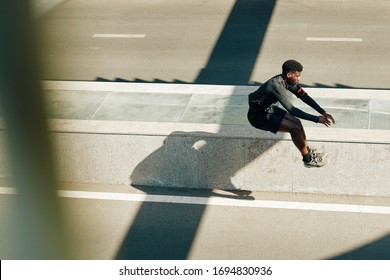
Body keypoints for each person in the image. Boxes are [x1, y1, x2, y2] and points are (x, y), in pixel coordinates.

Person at [247, 59, 335, 167]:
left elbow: (304, 96)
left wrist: (323, 112)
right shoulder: (276, 86)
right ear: (289, 74)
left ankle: (307, 150)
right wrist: (317, 119)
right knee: (294, 128)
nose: (299, 79)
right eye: (297, 76)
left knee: (297, 122)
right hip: (258, 116)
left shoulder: (288, 81)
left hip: (269, 109)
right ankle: (308, 159)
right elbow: (292, 110)